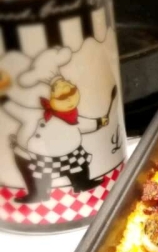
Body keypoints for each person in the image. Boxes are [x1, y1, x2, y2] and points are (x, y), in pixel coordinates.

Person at [0, 70, 109, 203]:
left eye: (70, 93)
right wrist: (4, 98)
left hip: (70, 154)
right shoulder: (35, 115)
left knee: (80, 168)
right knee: (38, 176)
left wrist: (99, 122)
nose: (68, 99)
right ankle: (39, 194)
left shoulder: (73, 117)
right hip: (38, 157)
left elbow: (85, 124)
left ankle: (82, 184)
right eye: (62, 97)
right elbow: (15, 110)